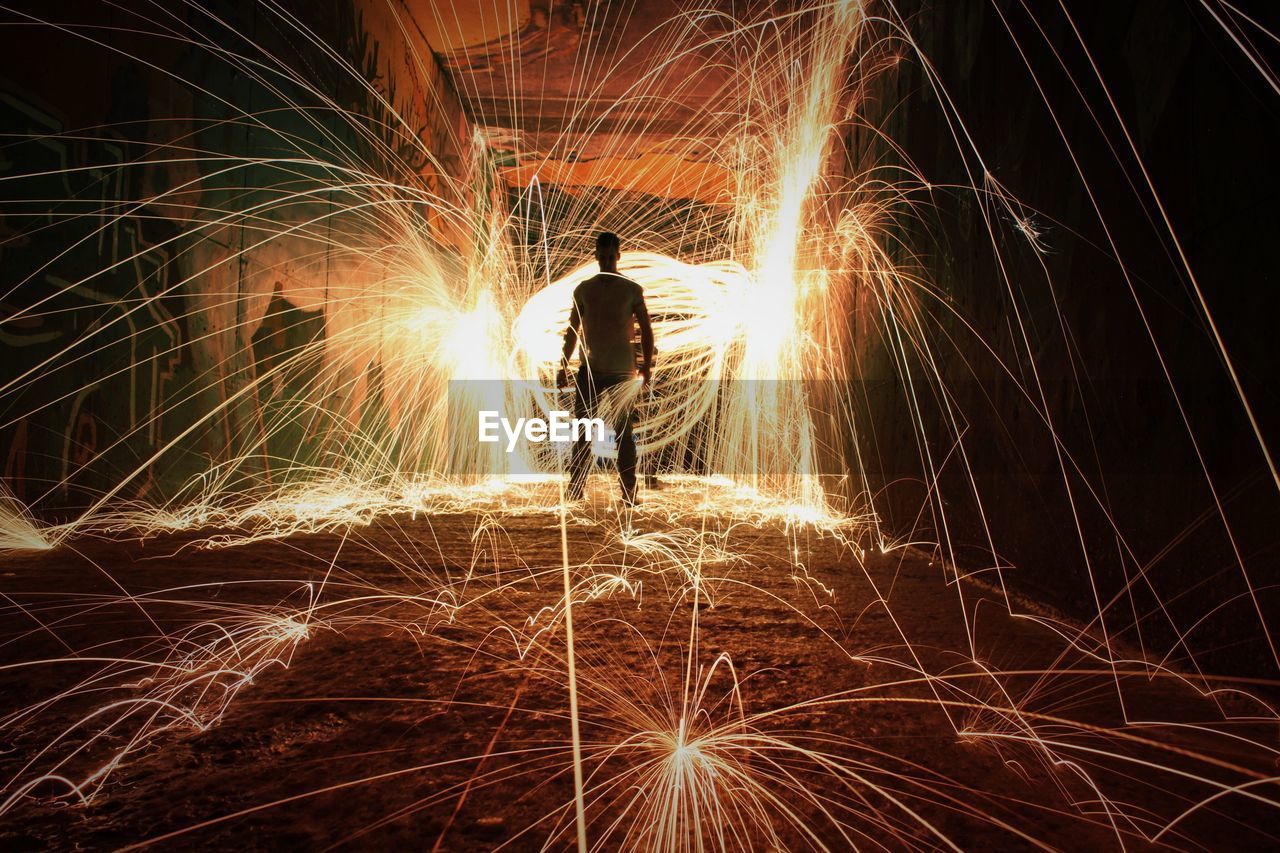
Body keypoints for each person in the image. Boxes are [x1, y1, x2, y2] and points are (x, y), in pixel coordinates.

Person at [556, 231, 654, 505]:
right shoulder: (584, 289)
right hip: (591, 370)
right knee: (583, 432)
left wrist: (646, 367)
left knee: (624, 435)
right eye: (604, 256)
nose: (608, 261)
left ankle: (629, 493)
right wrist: (563, 365)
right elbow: (572, 332)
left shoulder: (632, 290)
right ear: (597, 256)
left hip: (622, 373)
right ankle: (576, 490)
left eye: (612, 257)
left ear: (618, 256)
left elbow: (647, 330)